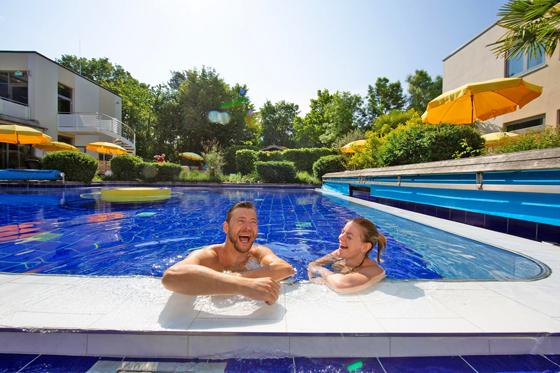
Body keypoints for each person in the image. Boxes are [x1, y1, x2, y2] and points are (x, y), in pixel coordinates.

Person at [162, 201, 295, 304]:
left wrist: (235, 278)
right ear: (226, 227)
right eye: (241, 221)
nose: (248, 227)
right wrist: (243, 286)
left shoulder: (257, 252)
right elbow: (171, 277)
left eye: (253, 222)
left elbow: (285, 269)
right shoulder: (209, 256)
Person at [307, 217, 386, 294]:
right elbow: (313, 264)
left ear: (365, 247)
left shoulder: (373, 271)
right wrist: (313, 277)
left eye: (349, 237)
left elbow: (340, 285)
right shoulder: (339, 254)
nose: (340, 237)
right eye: (342, 232)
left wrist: (321, 271)